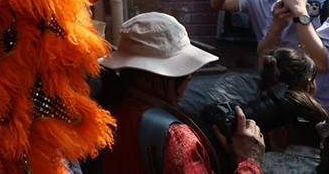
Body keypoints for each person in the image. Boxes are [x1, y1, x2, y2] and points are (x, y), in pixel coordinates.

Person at [98, 12, 264, 174]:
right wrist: (248, 161)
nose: (188, 80)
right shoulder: (175, 138)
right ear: (161, 77)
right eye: (184, 76)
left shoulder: (108, 113)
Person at [256, 0, 329, 106]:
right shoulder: (285, 3)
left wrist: (301, 15)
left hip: (323, 107)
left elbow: (320, 64)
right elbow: (263, 54)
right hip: (288, 104)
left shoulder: (310, 8)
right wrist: (276, 26)